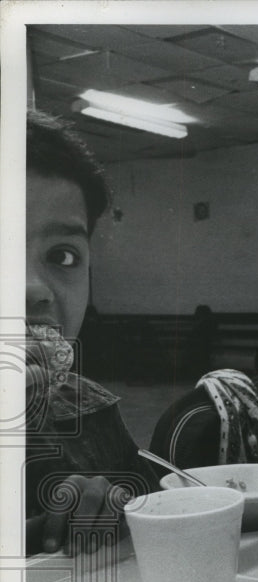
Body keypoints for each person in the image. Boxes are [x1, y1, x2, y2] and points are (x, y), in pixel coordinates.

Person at [24, 110, 159, 555]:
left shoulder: (92, 412)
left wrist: (117, 509)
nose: (34, 289)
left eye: (63, 256)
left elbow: (156, 520)